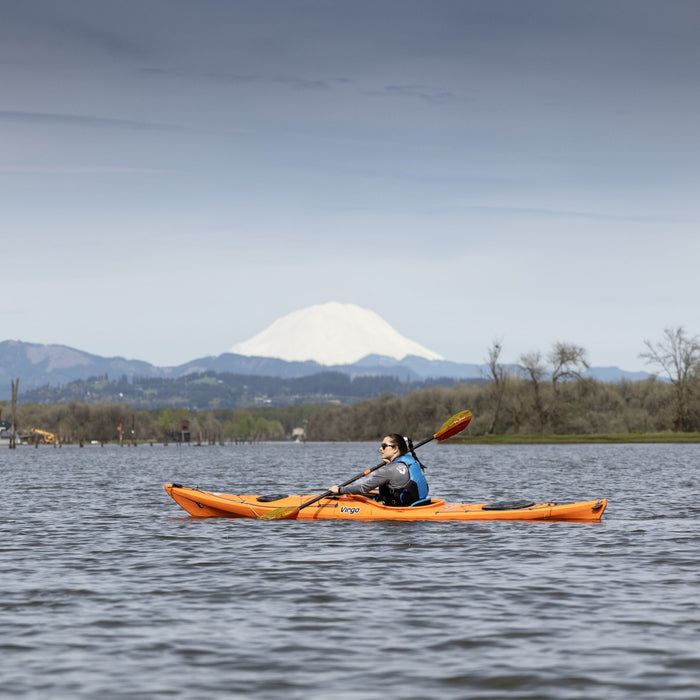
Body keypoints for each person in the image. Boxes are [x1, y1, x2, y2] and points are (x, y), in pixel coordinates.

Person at [328, 434, 429, 506]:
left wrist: (340, 490)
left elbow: (364, 488)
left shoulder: (388, 470)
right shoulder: (411, 461)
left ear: (395, 449)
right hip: (419, 502)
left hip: (402, 508)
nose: (381, 449)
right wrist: (389, 464)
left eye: (384, 446)